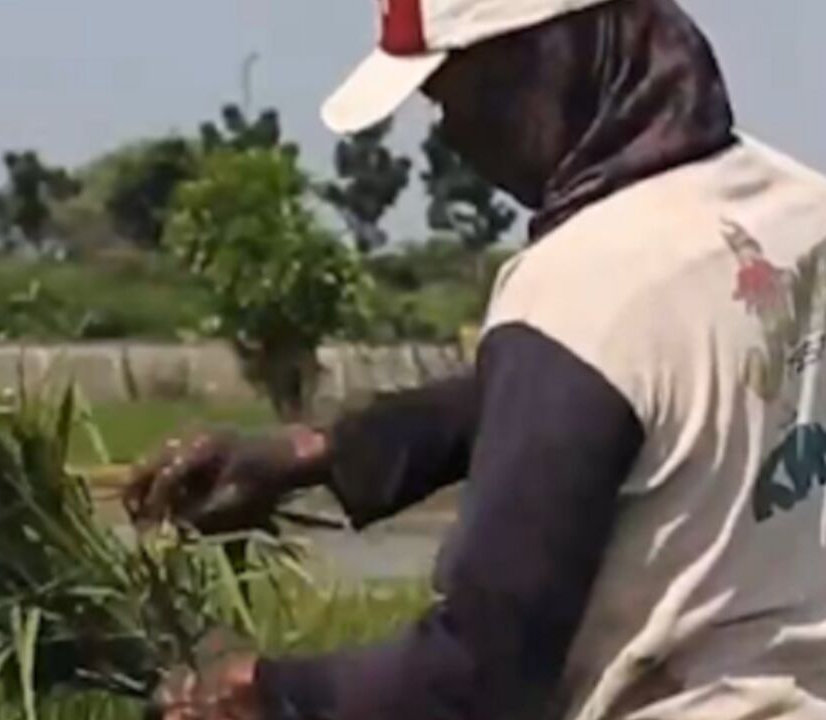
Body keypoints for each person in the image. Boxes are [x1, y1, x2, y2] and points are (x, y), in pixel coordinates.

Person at [123, 0, 826, 717]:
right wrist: (314, 453)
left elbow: (479, 674)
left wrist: (267, 693)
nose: (450, 135)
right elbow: (619, 391)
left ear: (552, 58)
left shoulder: (580, 284)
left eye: (452, 93)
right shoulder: (801, 212)